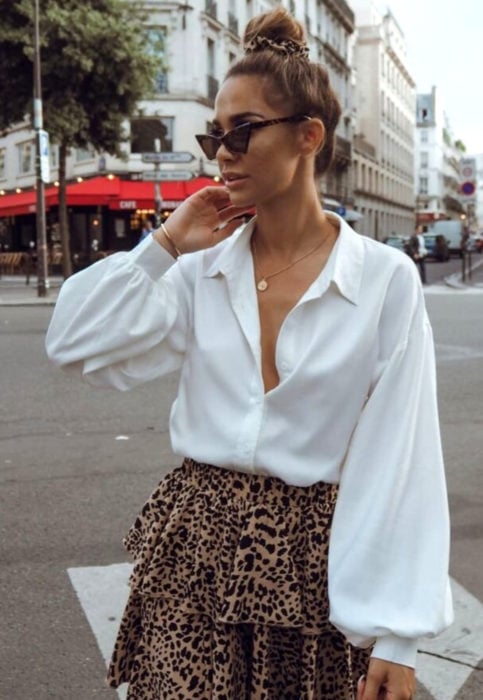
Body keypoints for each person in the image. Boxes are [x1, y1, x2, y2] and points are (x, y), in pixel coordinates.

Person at [45, 8, 452, 700]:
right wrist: (165, 245)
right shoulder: (200, 269)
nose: (221, 152)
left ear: (307, 136)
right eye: (213, 134)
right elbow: (73, 343)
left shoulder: (382, 282)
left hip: (314, 571)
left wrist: (396, 636)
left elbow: (400, 460)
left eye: (241, 131)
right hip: (191, 557)